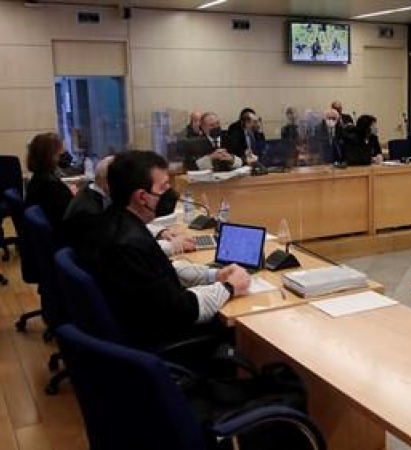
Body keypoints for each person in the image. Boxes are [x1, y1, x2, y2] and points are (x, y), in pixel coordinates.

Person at [75, 151, 250, 349]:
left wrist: (213, 275)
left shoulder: (116, 222)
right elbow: (182, 310)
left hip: (143, 327)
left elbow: (163, 272)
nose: (170, 193)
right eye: (164, 187)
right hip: (166, 341)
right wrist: (228, 287)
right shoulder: (130, 243)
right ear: (142, 197)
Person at [63, 155, 196, 256]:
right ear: (109, 183)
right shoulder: (90, 213)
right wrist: (172, 246)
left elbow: (129, 225)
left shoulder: (94, 194)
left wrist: (160, 232)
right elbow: (126, 248)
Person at [24, 132, 75, 237]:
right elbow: (71, 216)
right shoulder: (52, 186)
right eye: (60, 152)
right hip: (62, 238)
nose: (63, 154)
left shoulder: (37, 179)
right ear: (51, 156)